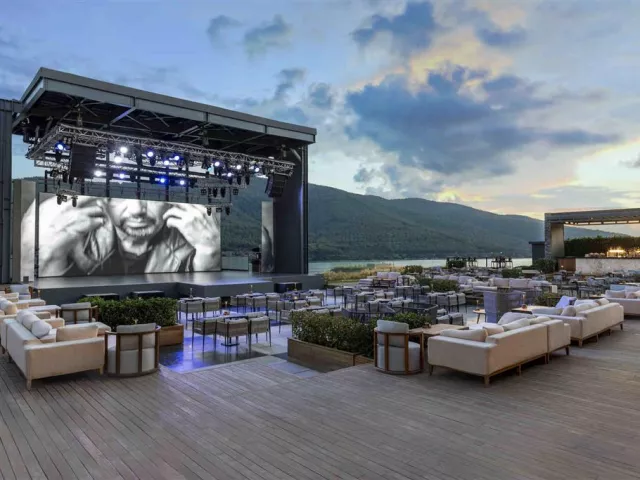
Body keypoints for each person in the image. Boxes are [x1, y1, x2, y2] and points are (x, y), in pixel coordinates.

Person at [23, 195, 221, 277]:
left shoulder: (198, 235)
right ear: (102, 201)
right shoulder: (62, 229)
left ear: (171, 202)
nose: (137, 210)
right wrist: (38, 256)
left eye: (151, 198)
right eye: (120, 196)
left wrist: (209, 254)